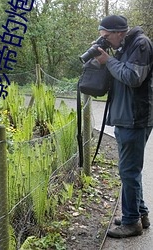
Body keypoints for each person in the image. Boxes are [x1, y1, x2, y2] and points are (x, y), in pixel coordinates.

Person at [95, 15, 153, 238]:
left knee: (128, 171)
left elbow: (132, 77)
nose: (106, 41)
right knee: (130, 171)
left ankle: (131, 223)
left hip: (135, 118)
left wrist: (108, 61)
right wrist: (105, 59)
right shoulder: (124, 46)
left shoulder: (141, 44)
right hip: (125, 117)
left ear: (119, 32)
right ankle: (140, 214)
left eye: (107, 37)